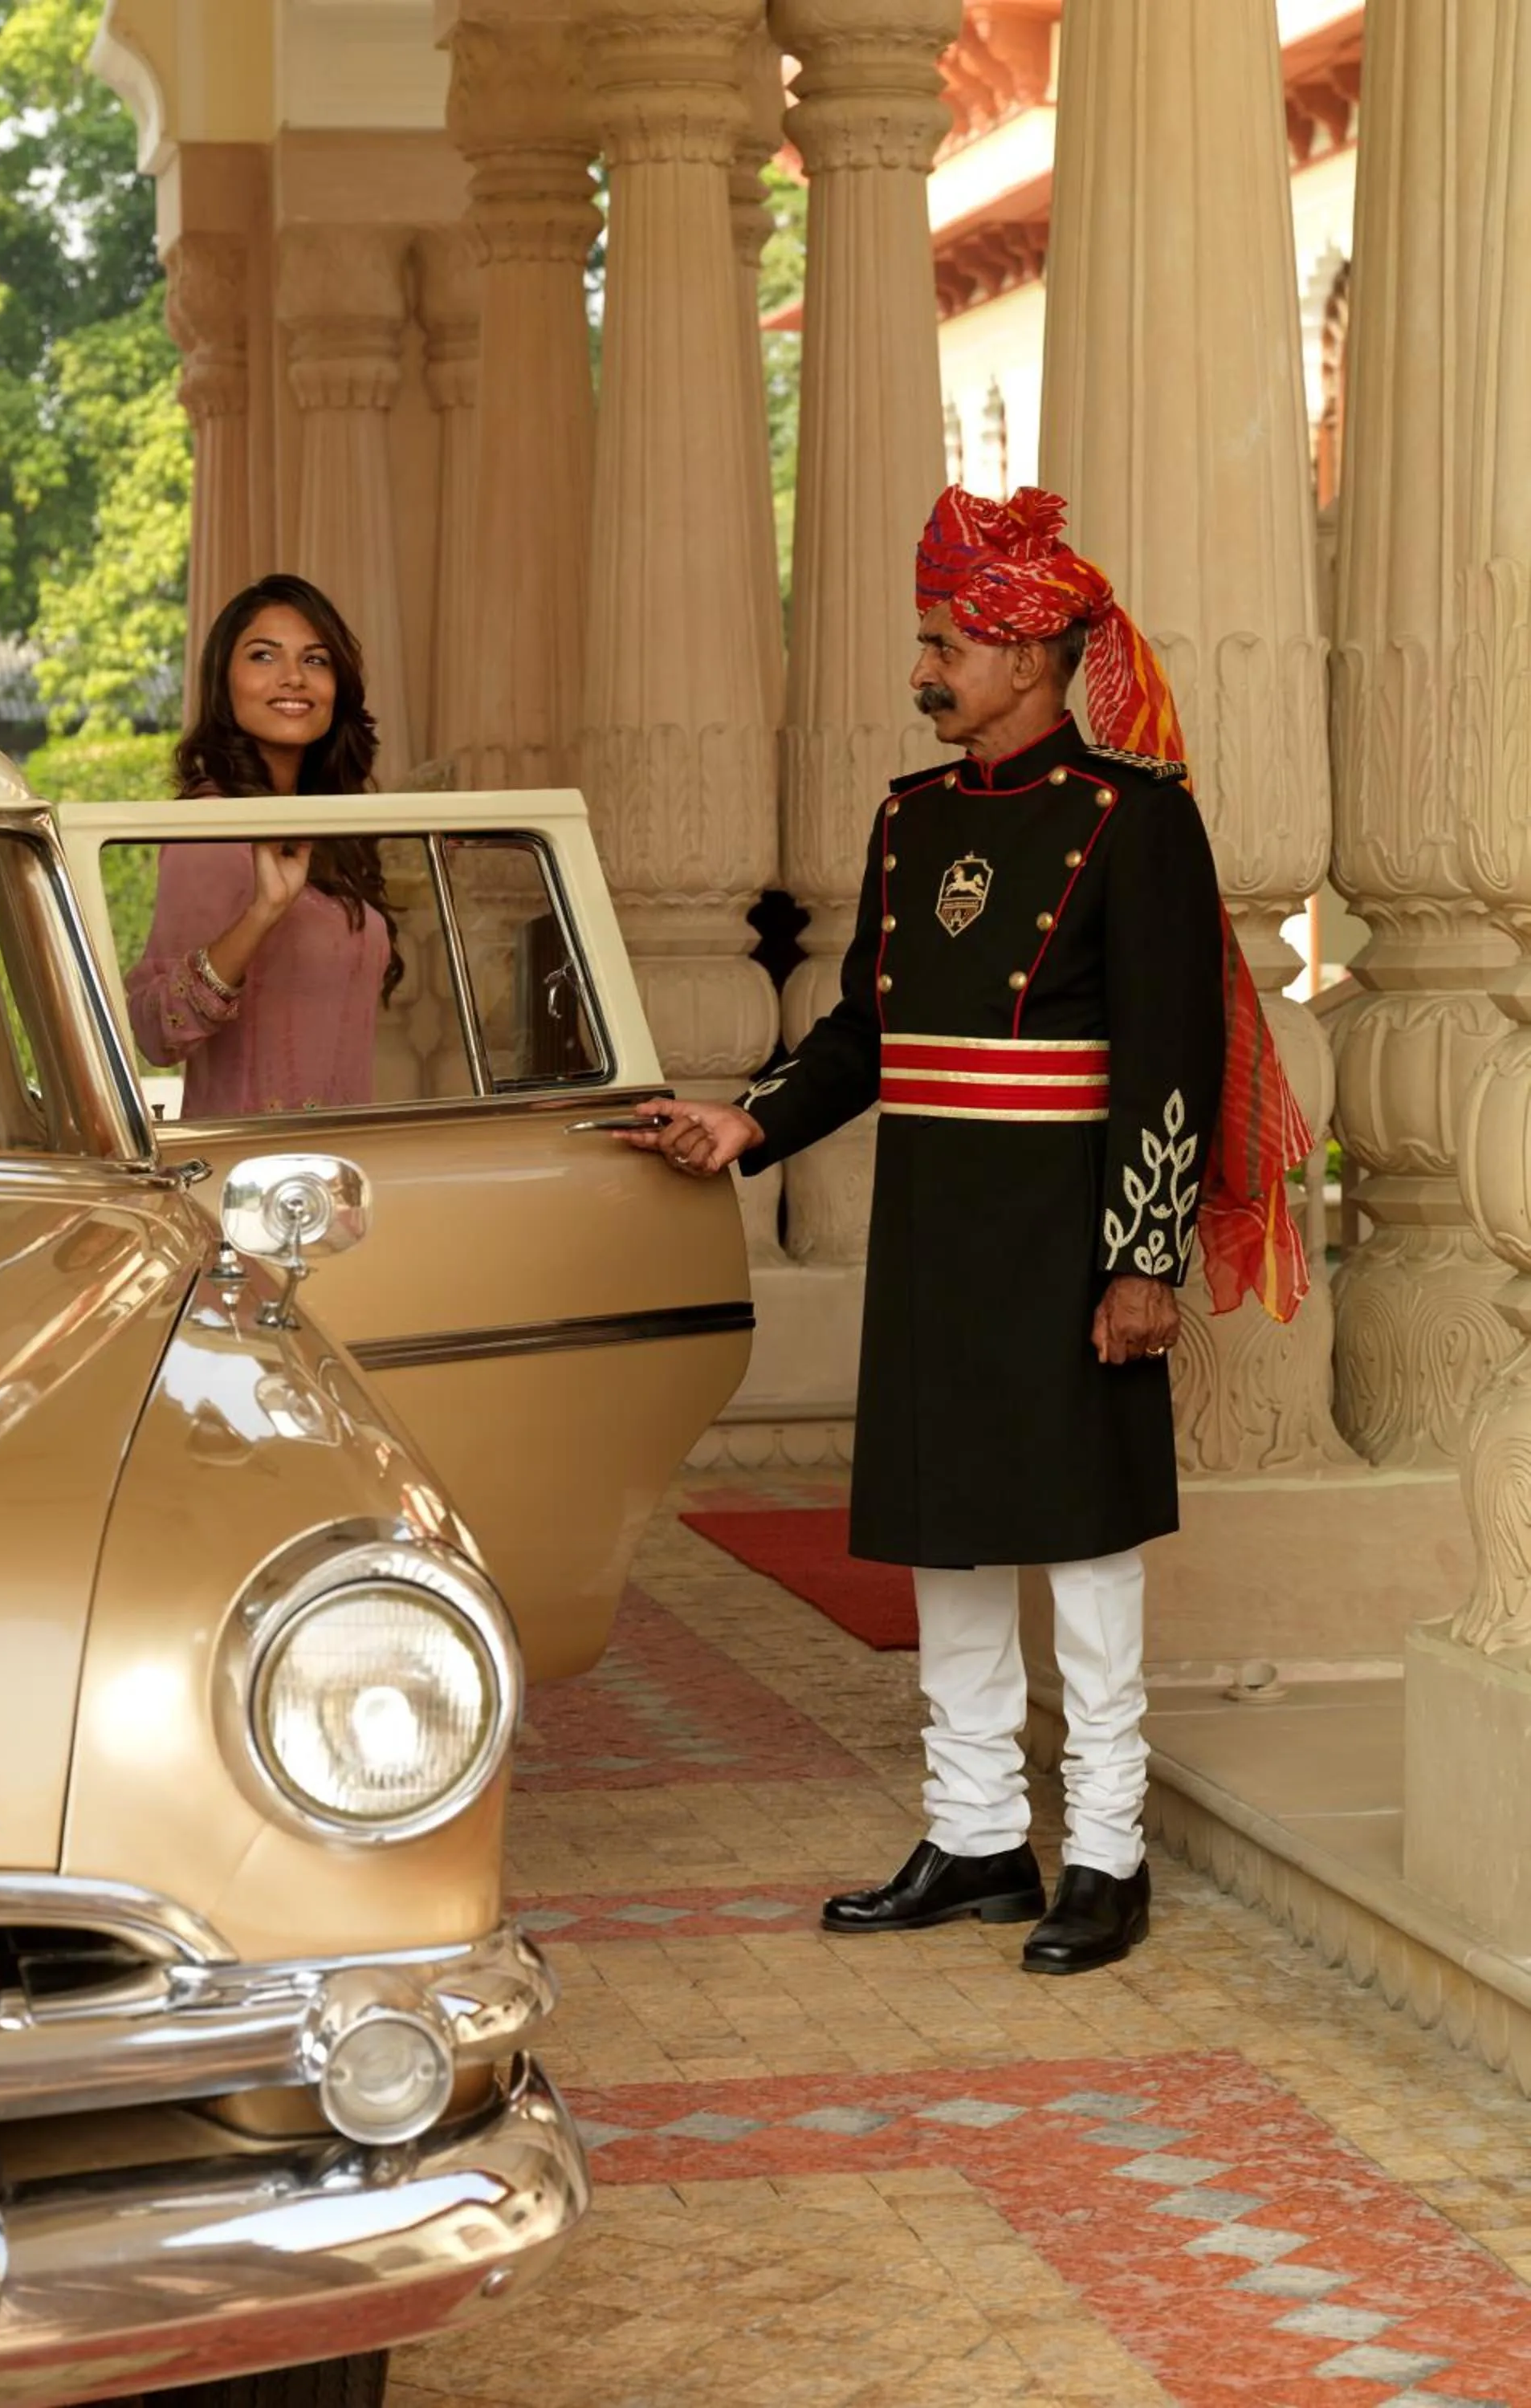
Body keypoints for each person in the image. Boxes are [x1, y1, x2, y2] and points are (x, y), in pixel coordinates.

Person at [624, 485, 1312, 1976]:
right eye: (926, 639)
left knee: (1084, 1548)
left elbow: (1169, 1058)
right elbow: (866, 1031)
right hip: (937, 1231)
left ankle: (1109, 1856)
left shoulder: (1141, 821)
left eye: (946, 641)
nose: (924, 667)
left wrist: (1145, 1258)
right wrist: (752, 1121)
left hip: (1073, 1236)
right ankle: (979, 1834)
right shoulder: (910, 818)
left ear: (1028, 652)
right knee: (949, 1536)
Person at [126, 575, 402, 1117]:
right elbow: (156, 1032)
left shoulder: (325, 828)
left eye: (317, 661)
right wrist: (263, 913)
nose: (294, 678)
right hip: (255, 1183)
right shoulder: (210, 830)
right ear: (224, 682)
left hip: (338, 1172)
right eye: (263, 656)